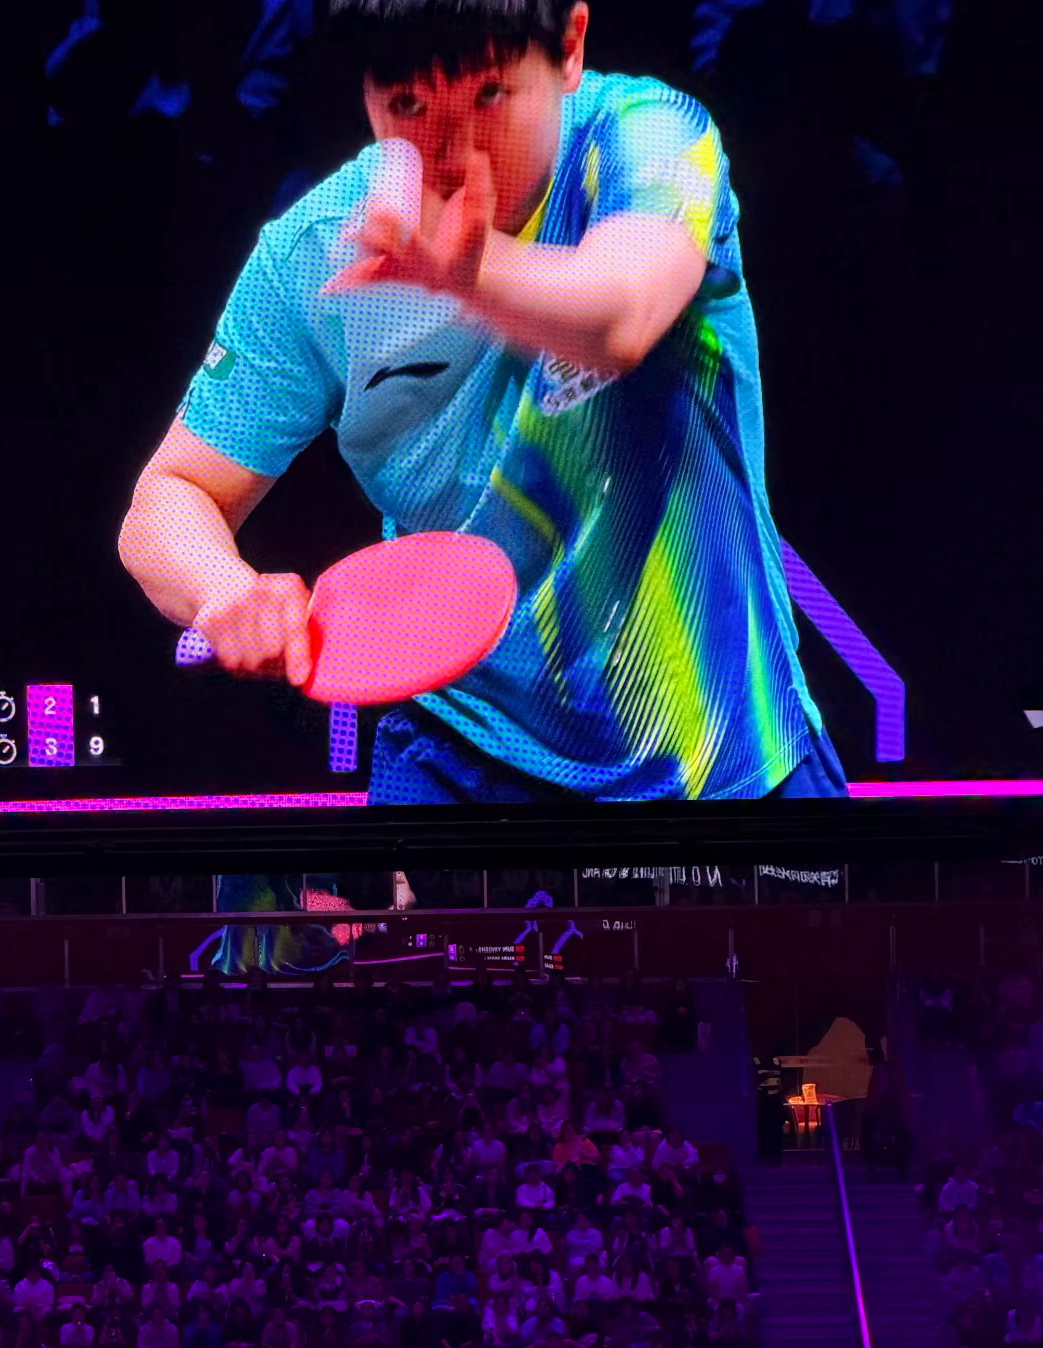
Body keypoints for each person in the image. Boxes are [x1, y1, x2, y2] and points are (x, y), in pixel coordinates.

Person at [119, 0, 844, 804]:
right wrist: (223, 588)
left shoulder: (645, 136)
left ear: (570, 48)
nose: (451, 149)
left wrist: (462, 271)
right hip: (461, 750)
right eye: (408, 104)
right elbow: (169, 498)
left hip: (729, 757)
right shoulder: (316, 254)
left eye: (490, 95)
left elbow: (624, 316)